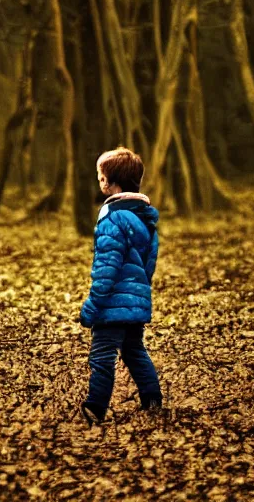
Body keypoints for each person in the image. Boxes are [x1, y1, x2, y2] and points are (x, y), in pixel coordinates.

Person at [80, 146, 162, 427]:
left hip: (112, 304)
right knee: (134, 350)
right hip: (135, 300)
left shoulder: (111, 218)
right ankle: (152, 398)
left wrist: (92, 306)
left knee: (102, 355)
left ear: (110, 181)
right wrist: (137, 291)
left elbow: (106, 269)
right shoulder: (146, 218)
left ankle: (95, 407)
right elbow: (148, 265)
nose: (99, 182)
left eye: (101, 177)